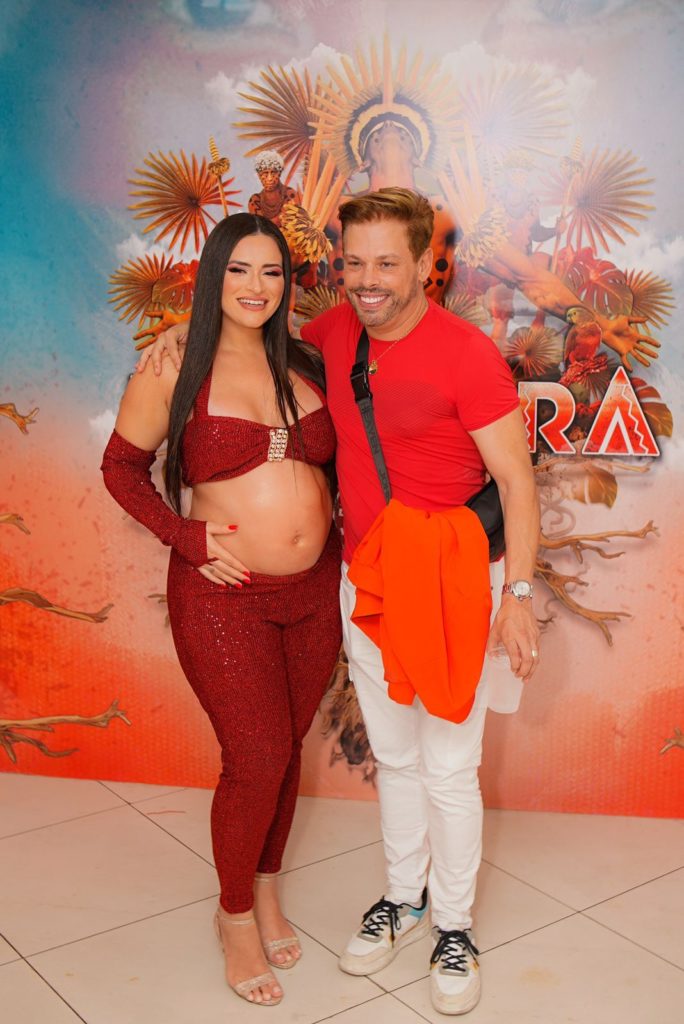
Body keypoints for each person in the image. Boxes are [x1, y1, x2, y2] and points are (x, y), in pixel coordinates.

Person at [140, 188, 541, 1016]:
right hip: (366, 578)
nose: (367, 279)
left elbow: (517, 482)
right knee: (395, 758)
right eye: (353, 263)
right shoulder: (332, 334)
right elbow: (244, 331)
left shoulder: (468, 354)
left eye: (387, 262)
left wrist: (519, 595)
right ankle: (401, 897)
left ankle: (453, 925)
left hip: (455, 579)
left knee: (449, 765)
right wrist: (183, 330)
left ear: (427, 265)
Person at [102, 212, 342, 1007]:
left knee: (287, 748)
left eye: (271, 271)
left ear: (288, 283)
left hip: (314, 592)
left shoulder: (306, 360)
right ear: (213, 277)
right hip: (223, 596)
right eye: (238, 269)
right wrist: (186, 535)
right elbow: (121, 467)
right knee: (257, 755)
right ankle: (234, 916)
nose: (256, 286)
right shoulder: (176, 366)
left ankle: (266, 889)